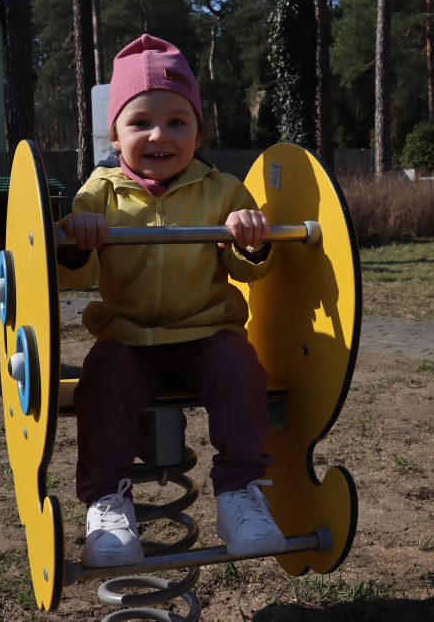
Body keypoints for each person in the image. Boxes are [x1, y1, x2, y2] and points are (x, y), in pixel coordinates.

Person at [58, 34, 285, 568]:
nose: (160, 134)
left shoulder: (224, 190)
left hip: (207, 334)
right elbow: (78, 274)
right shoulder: (100, 192)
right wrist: (76, 235)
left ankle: (239, 493)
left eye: (178, 122)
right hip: (128, 336)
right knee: (102, 382)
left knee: (240, 367)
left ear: (198, 131)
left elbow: (247, 267)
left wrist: (252, 237)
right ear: (114, 136)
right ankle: (107, 506)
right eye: (141, 122)